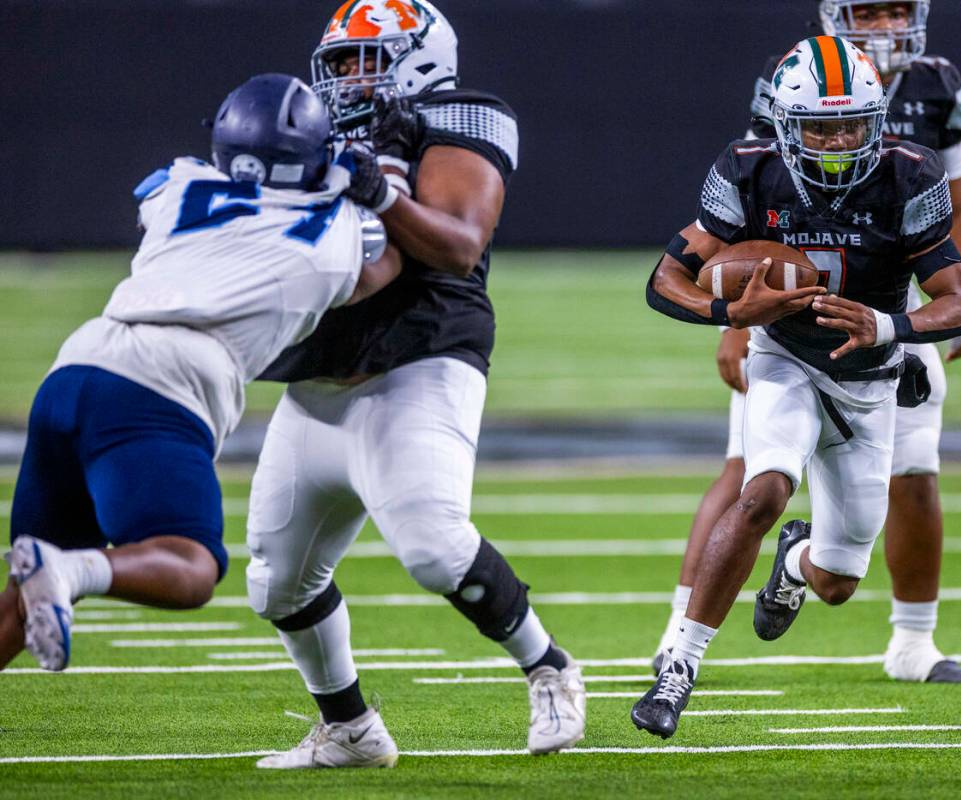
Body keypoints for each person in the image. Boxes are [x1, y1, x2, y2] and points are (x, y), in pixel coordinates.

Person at [245, 1, 585, 769]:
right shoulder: (318, 131)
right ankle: (351, 729)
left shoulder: (462, 113)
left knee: (433, 547)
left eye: (366, 58)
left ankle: (549, 666)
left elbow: (460, 246)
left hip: (420, 357)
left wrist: (380, 191)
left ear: (420, 56)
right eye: (338, 62)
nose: (347, 78)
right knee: (276, 584)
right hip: (320, 375)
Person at [631, 35, 961, 739]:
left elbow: (959, 300)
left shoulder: (909, 173)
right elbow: (664, 278)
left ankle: (795, 559)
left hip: (870, 378)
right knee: (763, 489)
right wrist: (729, 313)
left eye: (852, 121)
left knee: (838, 583)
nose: (839, 138)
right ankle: (679, 667)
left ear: (877, 118)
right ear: (786, 126)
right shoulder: (749, 168)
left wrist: (889, 326)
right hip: (785, 359)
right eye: (820, 125)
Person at [0, 74, 398, 677]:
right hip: (162, 387)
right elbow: (390, 265)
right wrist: (377, 184)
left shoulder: (179, 186)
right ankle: (74, 570)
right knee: (190, 568)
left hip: (78, 365)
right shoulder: (336, 237)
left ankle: (62, 569)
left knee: (25, 591)